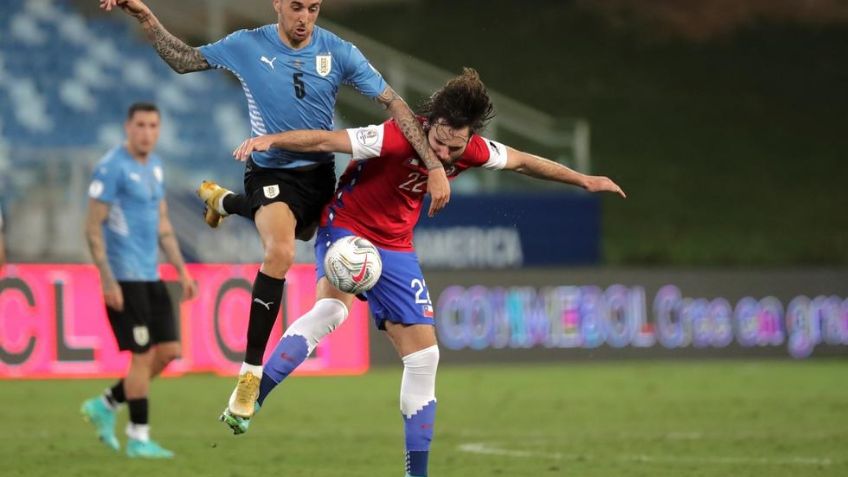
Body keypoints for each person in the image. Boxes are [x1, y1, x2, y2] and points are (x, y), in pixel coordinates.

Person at [214, 68, 625, 476]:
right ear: (430, 124)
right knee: (333, 312)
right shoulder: (394, 136)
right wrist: (271, 140)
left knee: (425, 357)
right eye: (439, 143)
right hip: (347, 227)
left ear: (469, 136)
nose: (445, 155)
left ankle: (417, 474)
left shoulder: (472, 148)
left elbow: (520, 162)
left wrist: (583, 179)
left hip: (396, 246)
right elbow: (327, 140)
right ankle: (252, 394)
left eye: (455, 148)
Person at [100, 0, 451, 421]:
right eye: (297, 7)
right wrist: (145, 17)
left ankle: (223, 201)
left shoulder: (338, 51)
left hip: (320, 175)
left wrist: (434, 165)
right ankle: (250, 375)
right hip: (269, 170)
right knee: (281, 251)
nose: (305, 18)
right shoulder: (247, 45)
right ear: (278, 5)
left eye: (314, 8)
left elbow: (394, 103)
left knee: (302, 234)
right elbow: (186, 61)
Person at [80, 102, 197, 458]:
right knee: (142, 357)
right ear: (127, 127)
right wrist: (107, 279)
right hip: (124, 278)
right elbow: (92, 227)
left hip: (151, 274)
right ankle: (138, 438)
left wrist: (181, 268)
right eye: (141, 125)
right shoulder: (112, 167)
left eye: (153, 126)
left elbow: (163, 225)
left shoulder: (156, 168)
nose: (147, 132)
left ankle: (106, 403)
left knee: (169, 352)